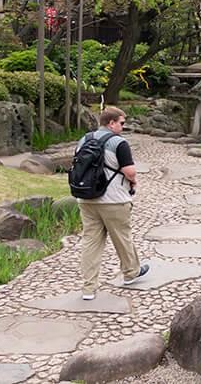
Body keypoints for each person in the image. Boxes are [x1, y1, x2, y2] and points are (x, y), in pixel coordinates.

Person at [76, 106, 148, 300]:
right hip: (113, 200)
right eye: (122, 123)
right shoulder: (119, 143)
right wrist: (133, 181)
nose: (123, 127)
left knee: (91, 242)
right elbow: (130, 171)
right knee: (122, 237)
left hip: (86, 199)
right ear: (112, 123)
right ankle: (131, 273)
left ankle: (88, 289)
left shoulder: (84, 139)